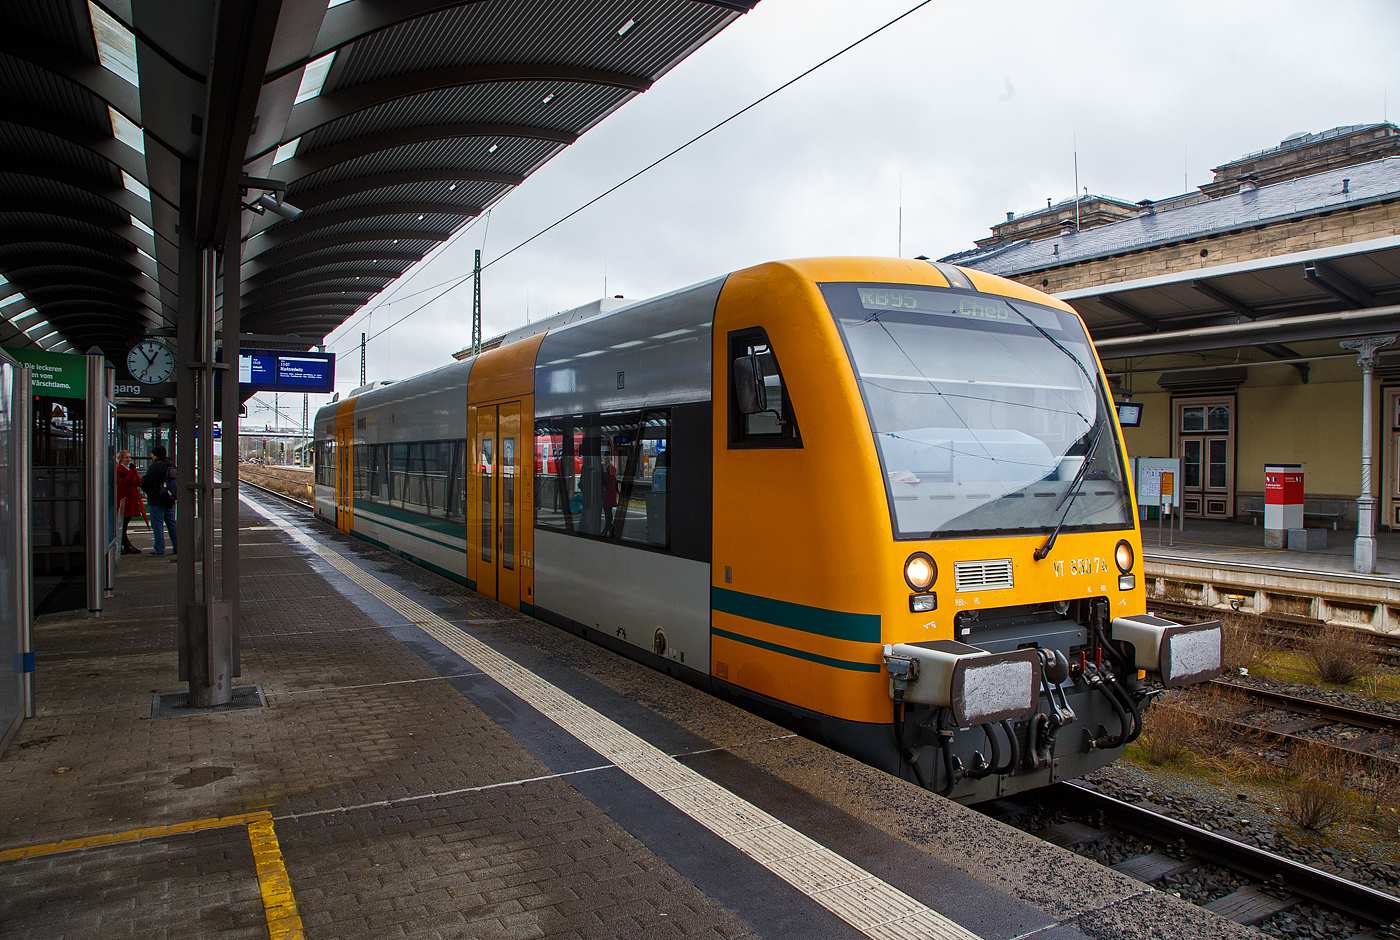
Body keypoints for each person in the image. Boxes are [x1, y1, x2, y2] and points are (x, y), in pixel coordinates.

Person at [141, 445, 177, 556]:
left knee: (157, 524)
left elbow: (146, 484)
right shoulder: (171, 464)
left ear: (154, 455)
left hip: (156, 499)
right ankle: (177, 547)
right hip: (169, 498)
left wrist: (144, 486)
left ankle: (160, 549)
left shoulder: (155, 466)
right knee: (171, 523)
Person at [114, 450, 144, 554]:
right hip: (124, 500)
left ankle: (125, 544)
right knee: (123, 523)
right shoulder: (119, 470)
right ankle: (125, 544)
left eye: (129, 457)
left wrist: (132, 477)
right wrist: (132, 473)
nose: (128, 459)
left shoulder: (127, 470)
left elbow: (138, 482)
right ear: (121, 458)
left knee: (125, 523)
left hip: (129, 500)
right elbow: (126, 481)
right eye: (126, 457)